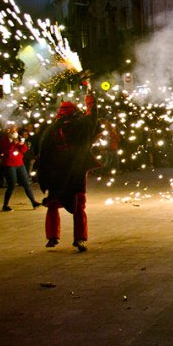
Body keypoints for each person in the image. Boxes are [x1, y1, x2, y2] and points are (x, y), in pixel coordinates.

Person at [37, 91, 100, 252]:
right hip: (67, 170)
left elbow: (44, 153)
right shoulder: (73, 125)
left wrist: (90, 104)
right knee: (72, 203)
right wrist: (91, 103)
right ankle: (73, 238)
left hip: (64, 170)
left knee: (61, 203)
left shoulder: (56, 128)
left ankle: (59, 237)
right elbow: (91, 119)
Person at [0, 125, 41, 211]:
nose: (14, 132)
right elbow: (7, 153)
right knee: (12, 184)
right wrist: (13, 144)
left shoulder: (18, 138)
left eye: (15, 130)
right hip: (9, 164)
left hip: (19, 163)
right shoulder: (4, 140)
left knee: (26, 183)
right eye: (12, 130)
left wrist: (21, 144)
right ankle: (5, 205)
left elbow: (24, 150)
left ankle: (33, 202)